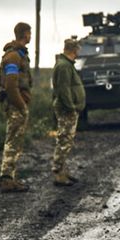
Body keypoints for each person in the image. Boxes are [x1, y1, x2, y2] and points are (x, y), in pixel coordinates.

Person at [0, 22, 33, 193]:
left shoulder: (19, 55)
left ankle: (10, 178)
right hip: (15, 106)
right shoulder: (13, 57)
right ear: (24, 34)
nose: (30, 36)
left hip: (17, 105)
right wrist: (21, 106)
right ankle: (6, 180)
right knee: (12, 142)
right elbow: (11, 85)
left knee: (15, 142)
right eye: (29, 33)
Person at [51, 38, 86, 185]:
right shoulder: (64, 66)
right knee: (64, 140)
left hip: (68, 108)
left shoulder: (66, 64)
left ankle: (63, 170)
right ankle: (59, 173)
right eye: (77, 49)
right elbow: (63, 89)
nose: (79, 52)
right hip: (67, 109)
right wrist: (71, 107)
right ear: (74, 50)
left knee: (66, 140)